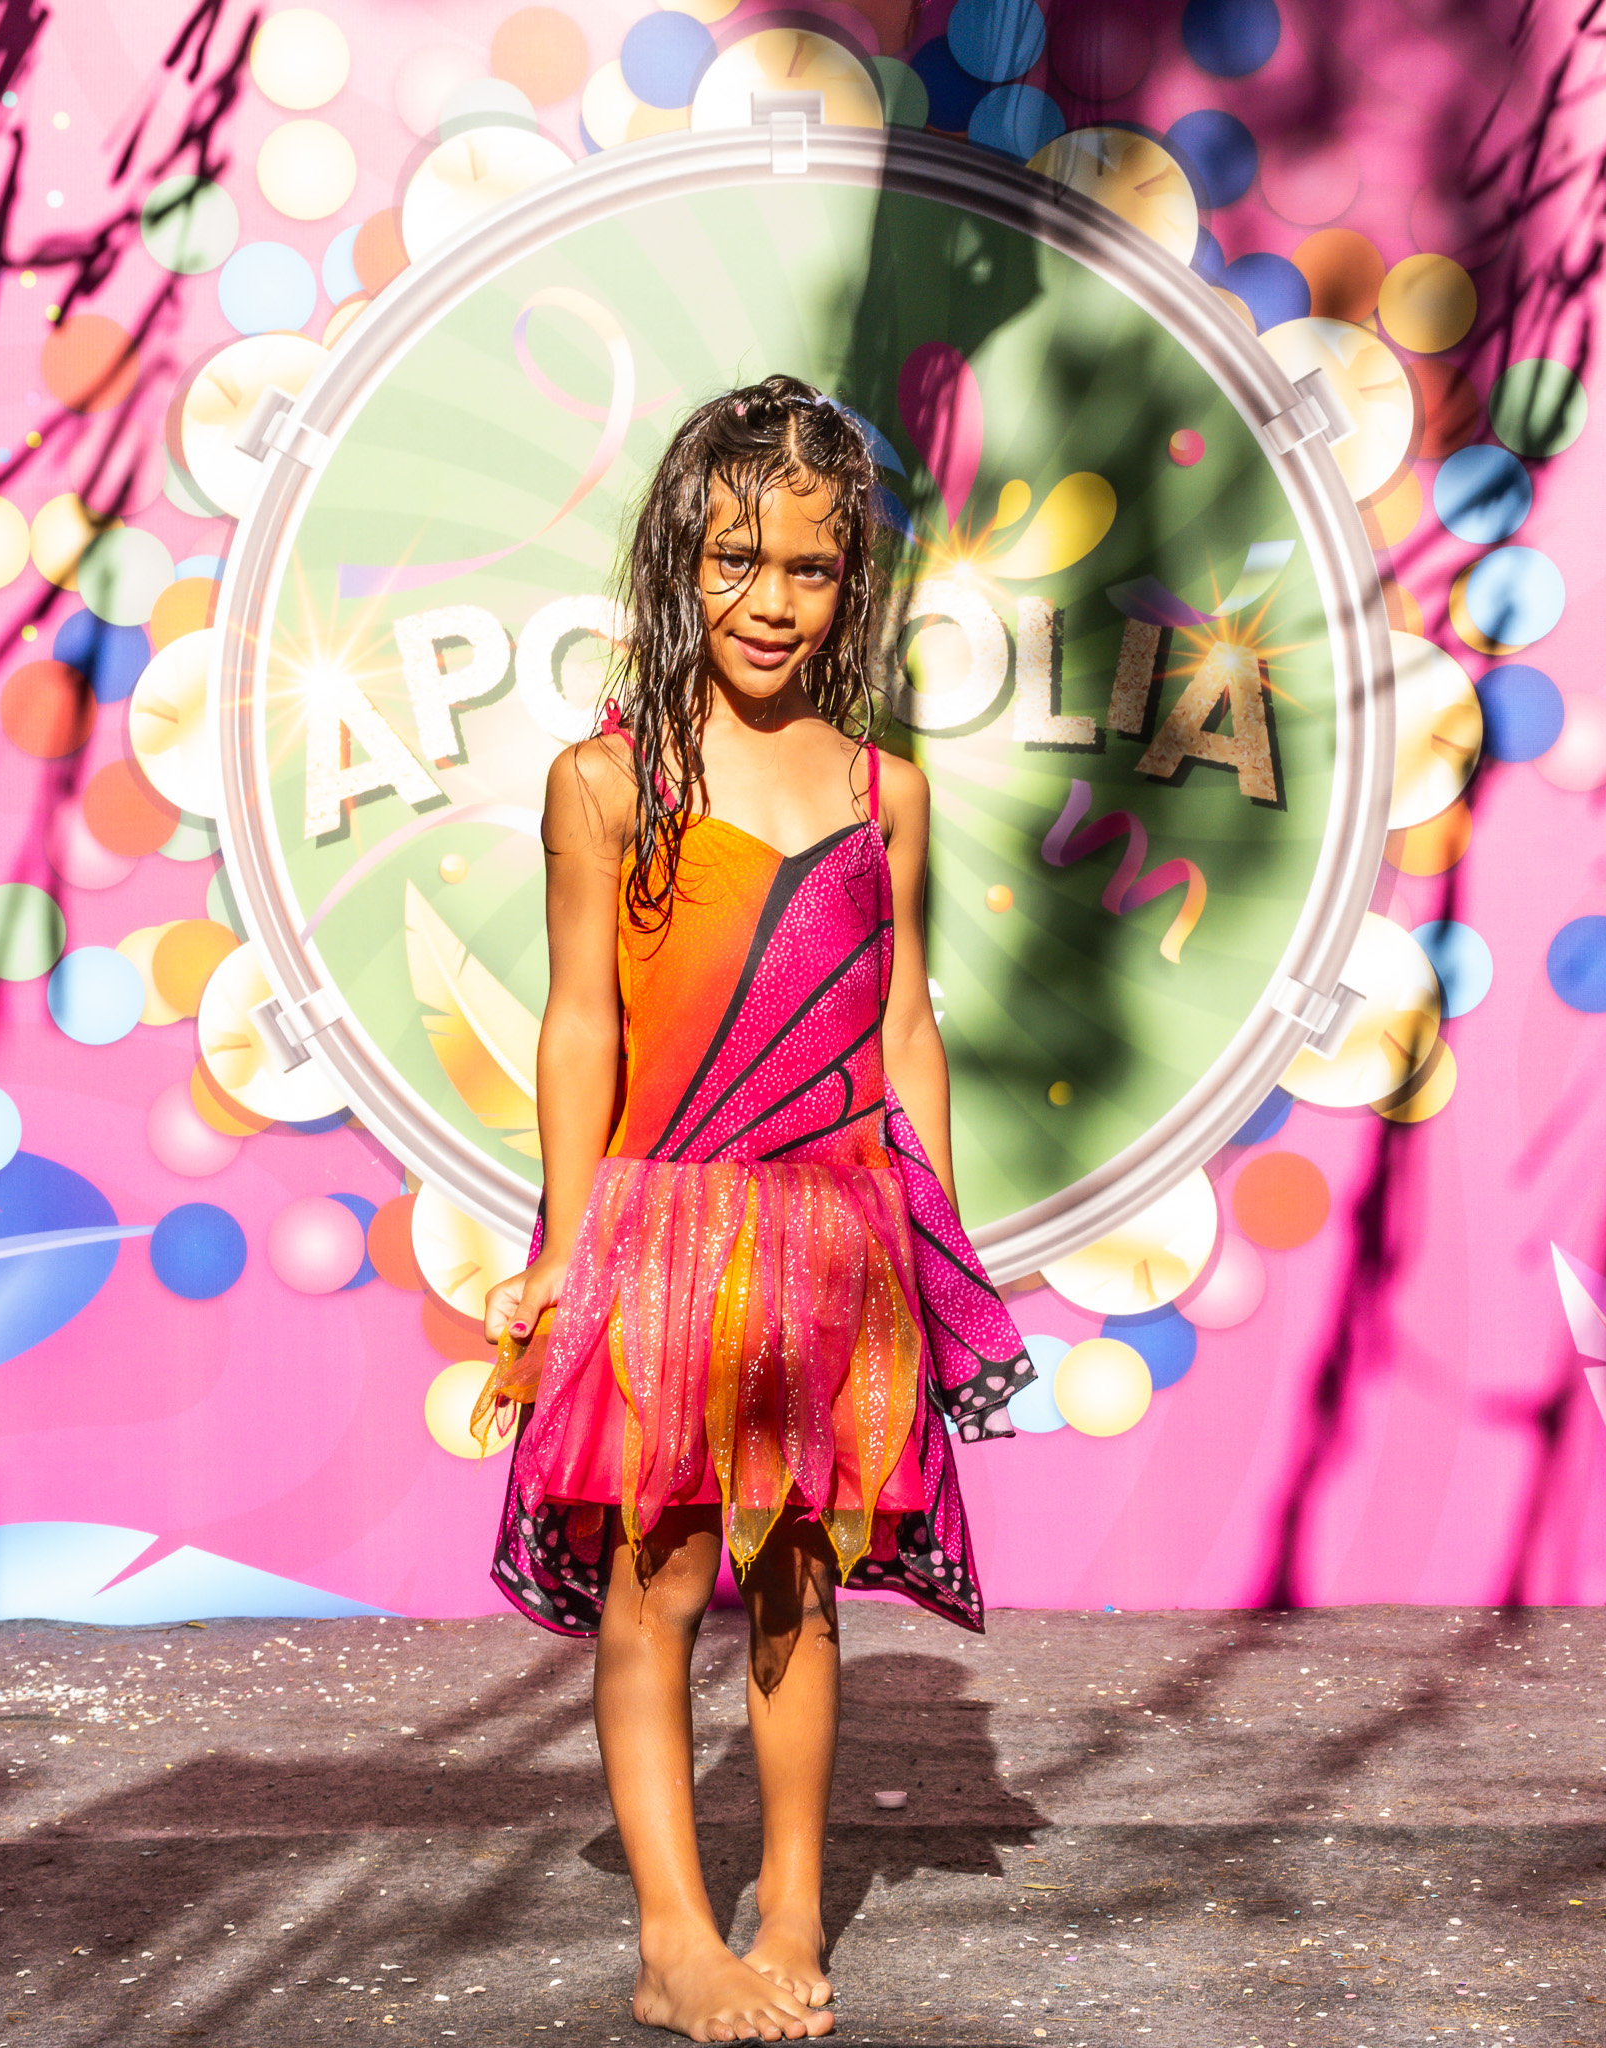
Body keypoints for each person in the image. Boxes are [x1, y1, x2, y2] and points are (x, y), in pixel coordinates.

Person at [477, 374, 1034, 2042]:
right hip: (658, 1238)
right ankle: (674, 1938)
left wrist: (935, 1248)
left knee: (799, 1581)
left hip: (835, 1241)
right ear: (680, 558)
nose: (772, 600)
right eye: (736, 561)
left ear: (850, 579)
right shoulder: (606, 782)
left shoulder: (884, 794)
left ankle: (790, 1902)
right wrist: (560, 1247)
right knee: (655, 1582)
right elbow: (580, 1025)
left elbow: (905, 1028)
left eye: (808, 566)